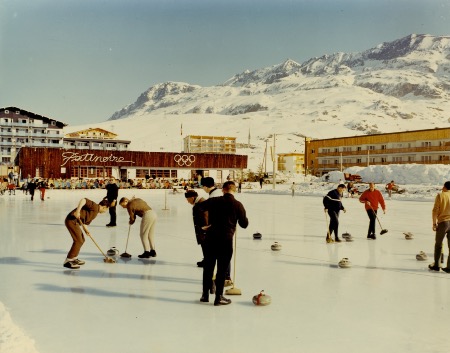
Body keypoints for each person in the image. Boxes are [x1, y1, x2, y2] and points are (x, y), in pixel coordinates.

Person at [198, 181, 249, 306]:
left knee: (208, 267)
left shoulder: (215, 201)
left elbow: (199, 207)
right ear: (234, 190)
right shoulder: (238, 205)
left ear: (223, 190)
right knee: (221, 269)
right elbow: (244, 224)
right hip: (226, 241)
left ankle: (205, 294)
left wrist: (205, 225)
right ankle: (218, 297)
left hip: (211, 238)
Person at [63, 197, 110, 269]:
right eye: (106, 210)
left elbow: (85, 223)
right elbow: (83, 200)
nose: (105, 212)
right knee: (78, 240)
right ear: (104, 207)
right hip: (71, 220)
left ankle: (74, 258)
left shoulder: (95, 213)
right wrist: (78, 211)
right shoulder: (94, 206)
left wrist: (86, 230)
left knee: (82, 239)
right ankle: (68, 260)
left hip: (75, 222)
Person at [202, 176, 232, 285]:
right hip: (223, 227)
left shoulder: (215, 195)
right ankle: (224, 276)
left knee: (222, 254)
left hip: (221, 229)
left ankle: (225, 276)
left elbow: (217, 213)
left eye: (203, 186)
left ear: (205, 186)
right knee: (223, 253)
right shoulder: (217, 193)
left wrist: (211, 225)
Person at [430, 181, 450, 272]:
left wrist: (434, 224)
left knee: (438, 244)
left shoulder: (441, 195)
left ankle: (437, 265)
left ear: (445, 187)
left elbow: (435, 211)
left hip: (443, 222)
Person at [184, 190, 208, 267]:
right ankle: (206, 259)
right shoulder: (199, 203)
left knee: (205, 244)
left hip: (205, 229)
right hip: (202, 228)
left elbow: (206, 215)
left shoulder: (201, 203)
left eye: (188, 199)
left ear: (192, 197)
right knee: (204, 245)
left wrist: (206, 227)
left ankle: (207, 261)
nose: (188, 202)